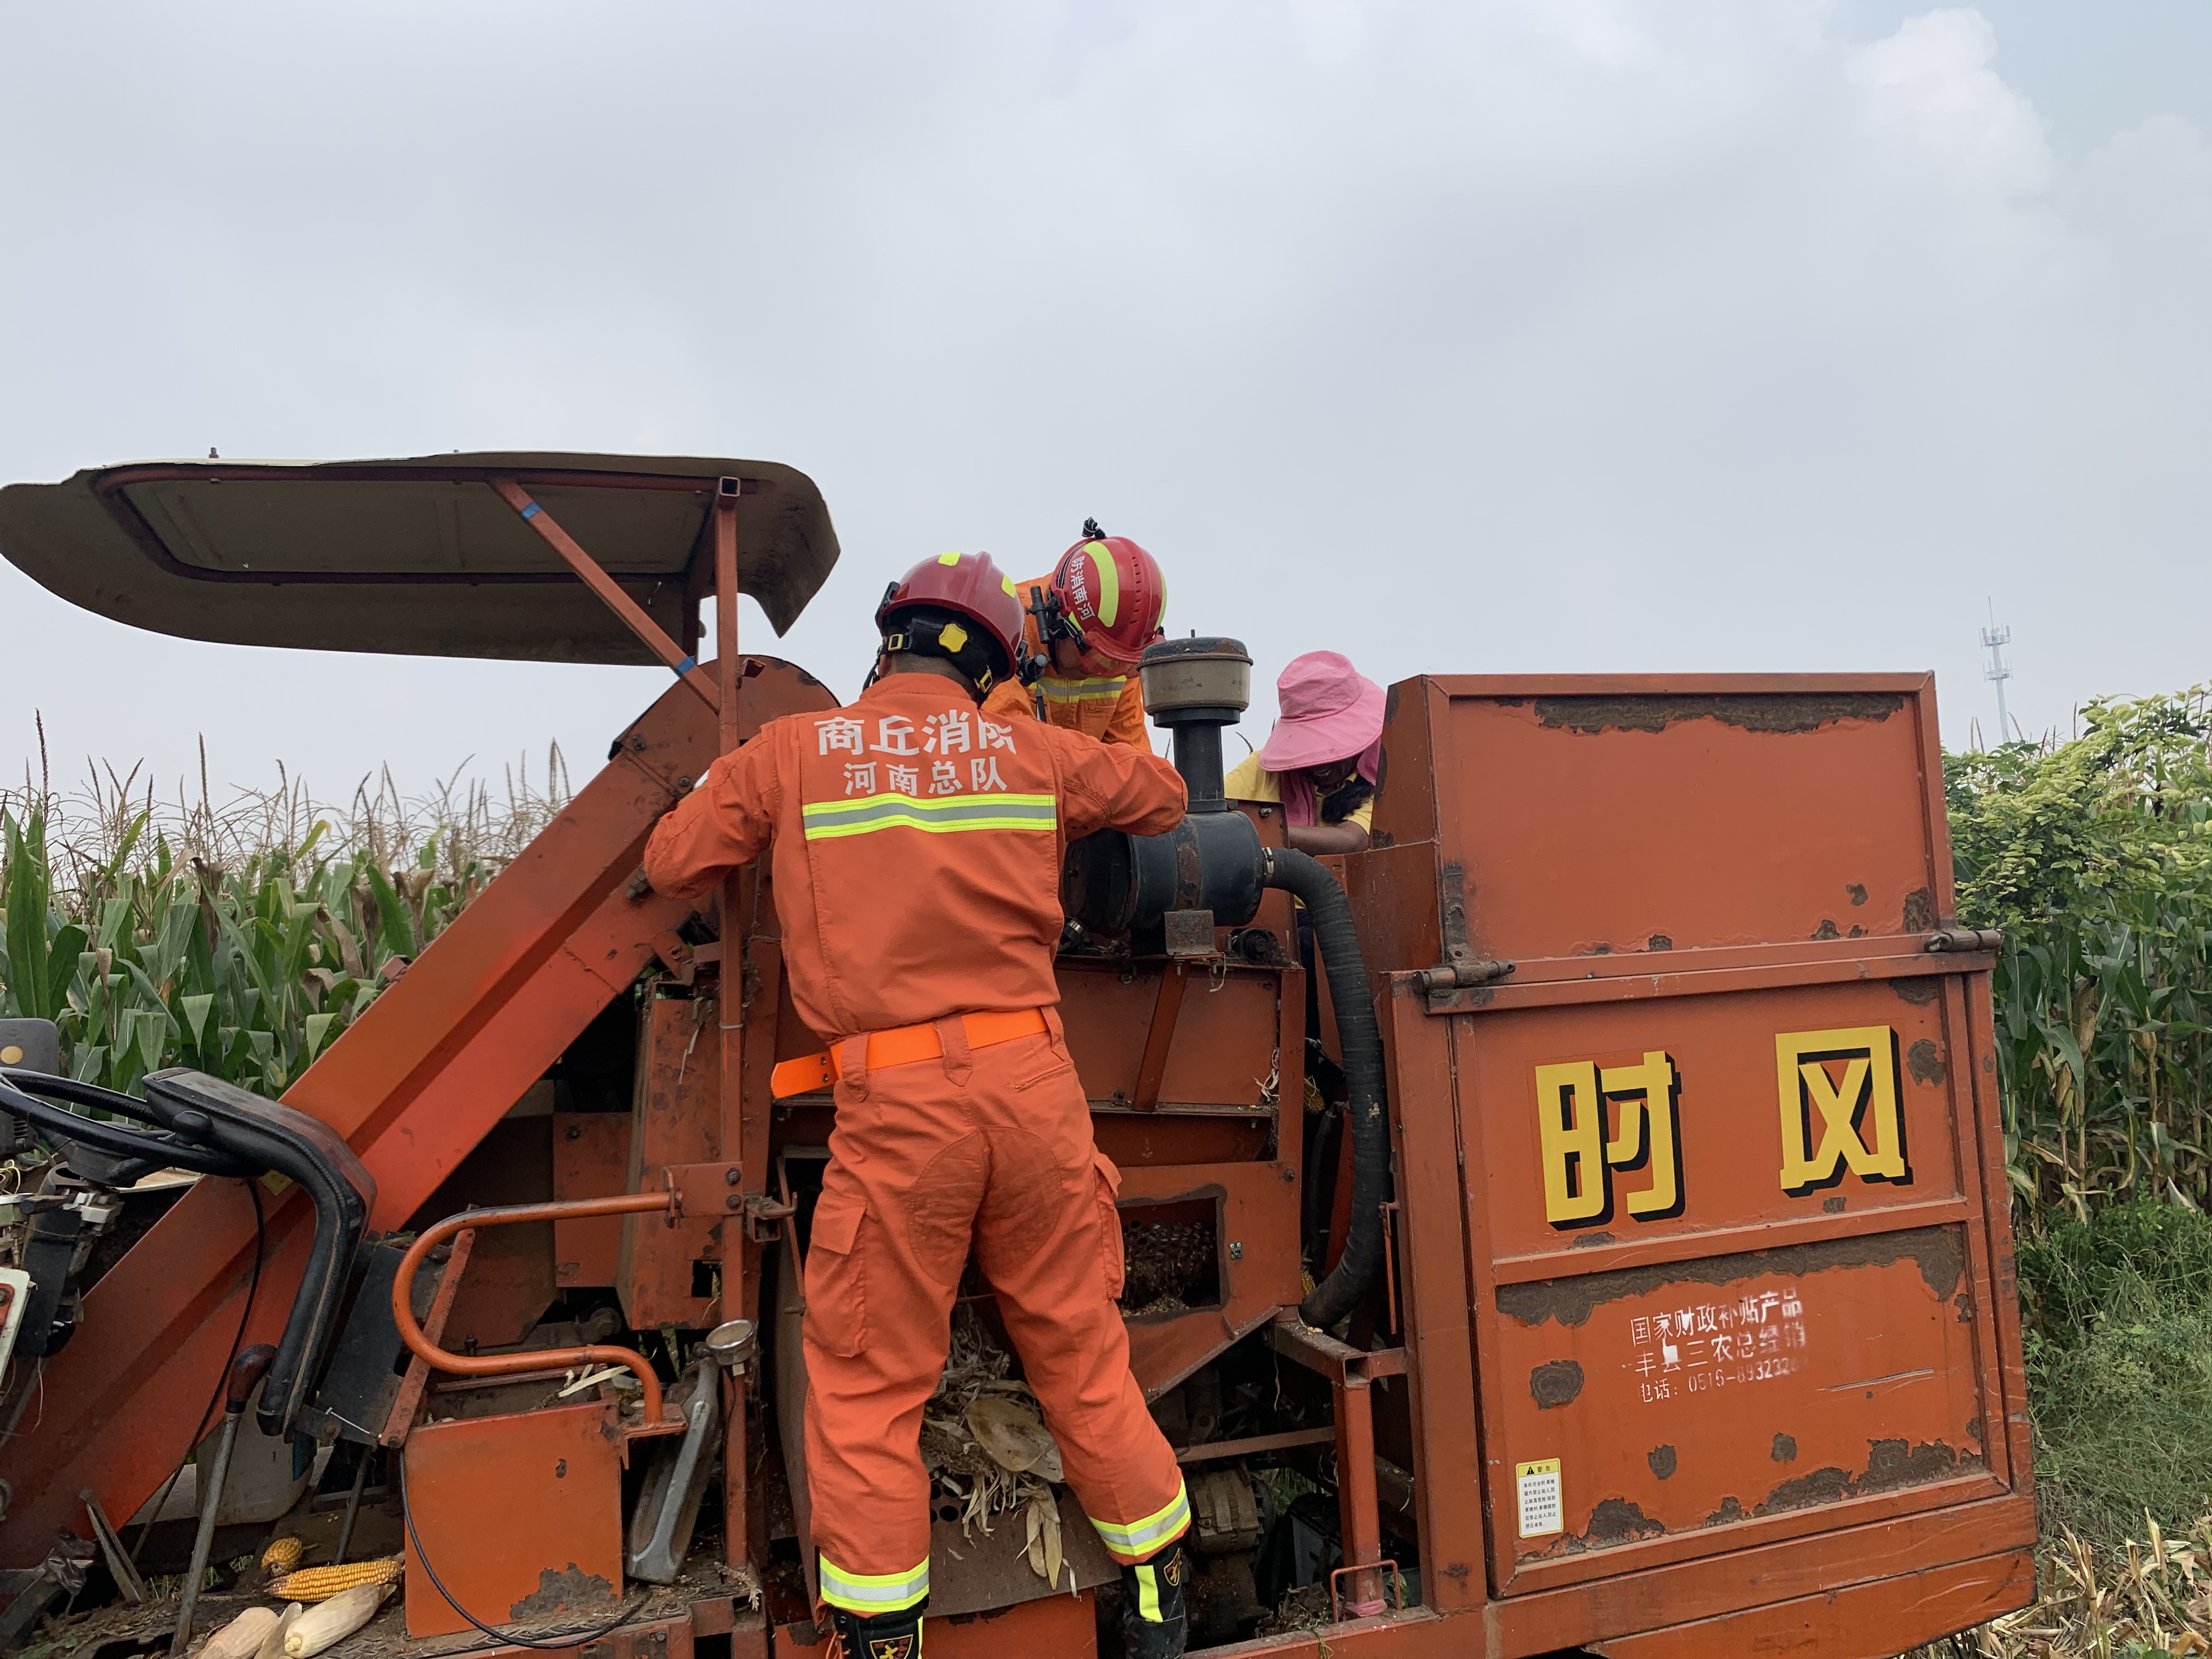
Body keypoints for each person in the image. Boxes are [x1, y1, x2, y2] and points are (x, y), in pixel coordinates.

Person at [641, 550, 1196, 1659]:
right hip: (1035, 1092)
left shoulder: (794, 754)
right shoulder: (1029, 749)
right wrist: (1116, 702)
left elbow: (670, 860)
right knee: (1082, 1352)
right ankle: (1156, 1594)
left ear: (887, 639)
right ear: (998, 658)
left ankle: (884, 1635)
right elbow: (1165, 797)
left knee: (869, 1385)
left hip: (899, 1107)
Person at [980, 519, 1168, 748]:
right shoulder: (1005, 627)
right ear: (1057, 617)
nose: (1104, 670)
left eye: (1116, 662)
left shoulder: (1122, 654)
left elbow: (1135, 762)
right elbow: (1011, 752)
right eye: (1098, 656)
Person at [1224, 651, 1385, 855]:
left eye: (1330, 747)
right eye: (1308, 749)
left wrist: (1256, 830)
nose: (1319, 763)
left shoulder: (1381, 776)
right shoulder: (1261, 772)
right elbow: (1207, 816)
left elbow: (1352, 840)